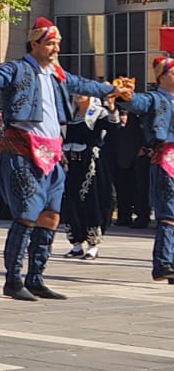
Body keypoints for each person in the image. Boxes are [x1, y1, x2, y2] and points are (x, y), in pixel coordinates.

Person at [0, 17, 115, 301]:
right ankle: (13, 280)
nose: (55, 47)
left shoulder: (57, 74)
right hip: (23, 152)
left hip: (53, 155)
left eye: (57, 42)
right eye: (50, 42)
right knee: (26, 216)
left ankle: (36, 277)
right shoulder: (18, 68)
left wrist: (112, 89)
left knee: (51, 216)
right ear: (35, 43)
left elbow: (83, 84)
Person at [104, 58, 174, 282]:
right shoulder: (155, 99)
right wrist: (126, 95)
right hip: (167, 159)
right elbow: (137, 103)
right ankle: (163, 262)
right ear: (162, 76)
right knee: (169, 213)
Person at [59, 93, 109, 260]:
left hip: (90, 164)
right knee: (70, 201)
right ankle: (76, 243)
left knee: (90, 200)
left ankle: (93, 244)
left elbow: (113, 127)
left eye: (83, 92)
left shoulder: (98, 113)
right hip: (70, 163)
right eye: (76, 92)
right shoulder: (68, 114)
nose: (79, 96)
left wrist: (113, 107)